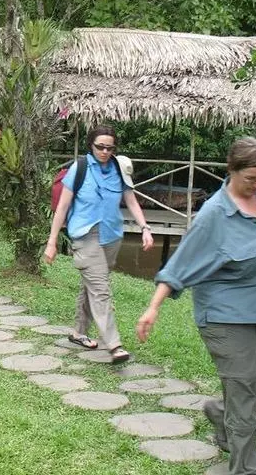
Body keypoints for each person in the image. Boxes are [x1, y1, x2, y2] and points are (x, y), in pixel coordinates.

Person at [135, 137, 256, 475]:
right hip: (224, 313)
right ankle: (246, 467)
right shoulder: (214, 215)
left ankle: (223, 415)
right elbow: (181, 264)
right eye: (250, 179)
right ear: (231, 171)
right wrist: (153, 308)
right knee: (245, 384)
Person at [44, 124, 154, 363]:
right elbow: (62, 207)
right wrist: (52, 242)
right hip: (85, 235)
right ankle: (114, 345)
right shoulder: (79, 168)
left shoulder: (119, 168)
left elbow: (131, 201)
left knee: (91, 284)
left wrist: (145, 228)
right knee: (101, 290)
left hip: (112, 235)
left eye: (109, 148)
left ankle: (79, 332)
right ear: (90, 145)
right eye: (100, 147)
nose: (104, 151)